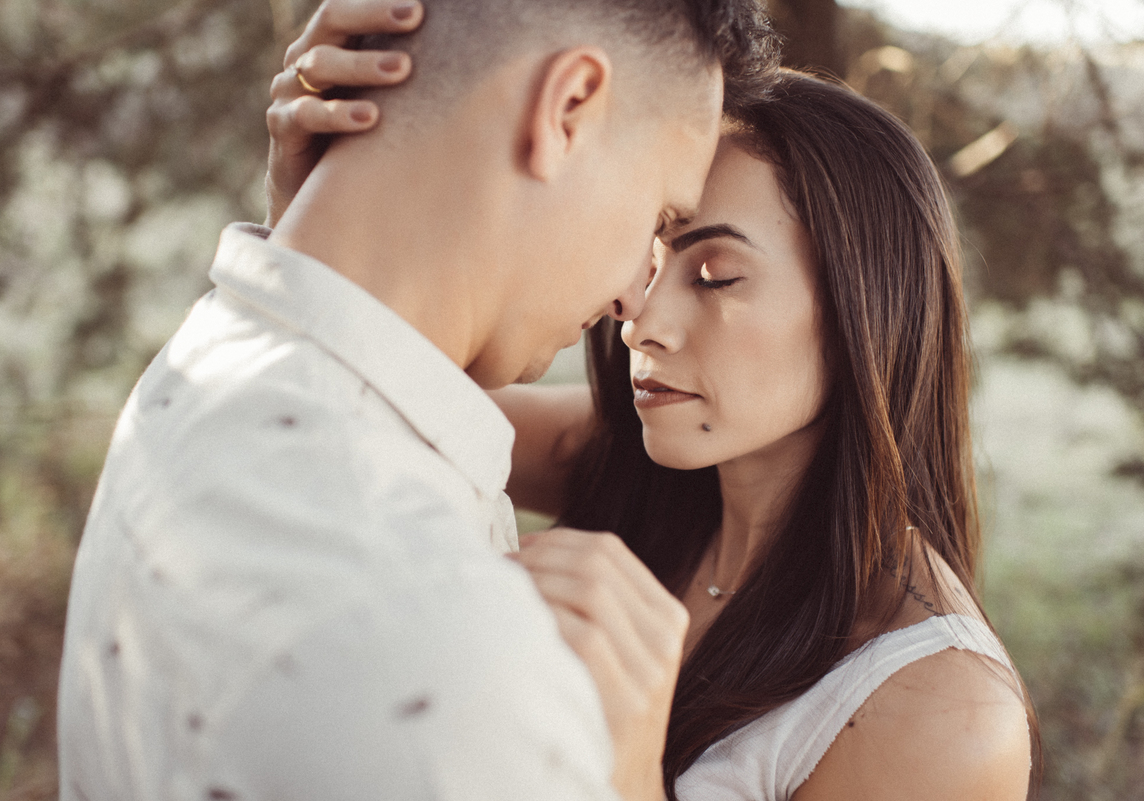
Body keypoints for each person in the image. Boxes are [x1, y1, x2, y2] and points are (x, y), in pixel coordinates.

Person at [269, 24, 1038, 798]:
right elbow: (365, 379)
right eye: (649, 257)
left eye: (714, 275)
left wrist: (629, 770)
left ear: (865, 310)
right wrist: (324, 216)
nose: (639, 321)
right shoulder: (631, 468)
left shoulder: (945, 713)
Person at [55, 1, 781, 800]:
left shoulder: (203, 366)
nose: (631, 301)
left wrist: (327, 216)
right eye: (659, 216)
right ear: (568, 107)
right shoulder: (461, 662)